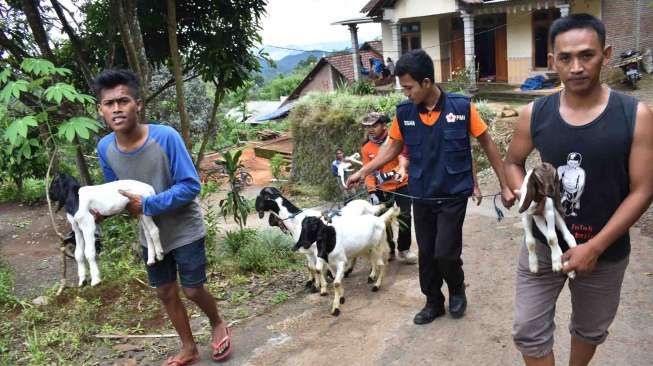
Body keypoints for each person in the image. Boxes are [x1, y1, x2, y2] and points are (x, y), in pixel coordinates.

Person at [504, 14, 653, 366]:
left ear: (607, 53)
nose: (576, 67)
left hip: (605, 252)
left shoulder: (636, 115)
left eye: (587, 55)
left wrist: (595, 247)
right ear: (553, 61)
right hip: (543, 246)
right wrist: (526, 196)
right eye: (566, 58)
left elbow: (643, 190)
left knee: (589, 329)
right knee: (527, 329)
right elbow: (513, 163)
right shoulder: (535, 114)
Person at [347, 49, 514, 325]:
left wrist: (504, 186)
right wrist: (363, 171)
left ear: (427, 83)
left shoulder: (461, 108)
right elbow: (391, 148)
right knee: (427, 254)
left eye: (409, 87)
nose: (406, 93)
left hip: (452, 194)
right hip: (422, 193)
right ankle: (433, 302)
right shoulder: (404, 112)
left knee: (445, 252)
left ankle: (457, 290)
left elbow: (488, 145)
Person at [93, 69, 232, 365]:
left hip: (184, 227)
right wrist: (103, 213)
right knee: (166, 291)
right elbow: (116, 192)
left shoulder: (165, 137)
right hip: (150, 234)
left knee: (192, 289)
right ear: (100, 110)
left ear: (138, 104)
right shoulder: (104, 148)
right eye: (109, 104)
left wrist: (150, 203)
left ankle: (217, 322)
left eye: (123, 100)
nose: (116, 108)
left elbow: (191, 185)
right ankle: (189, 348)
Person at [360, 112, 417, 264]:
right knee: (384, 221)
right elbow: (368, 171)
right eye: (368, 127)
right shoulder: (366, 148)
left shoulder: (395, 141)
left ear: (384, 125)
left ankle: (404, 249)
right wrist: (372, 191)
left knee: (405, 216)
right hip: (382, 189)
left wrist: (394, 173)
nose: (371, 129)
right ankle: (390, 248)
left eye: (374, 125)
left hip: (401, 184)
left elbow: (402, 160)